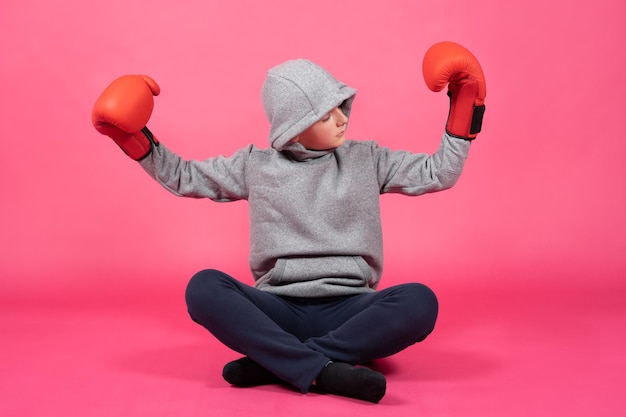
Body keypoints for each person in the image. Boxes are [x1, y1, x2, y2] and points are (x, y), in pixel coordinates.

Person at [91, 41, 486, 403]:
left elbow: (438, 173)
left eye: (341, 106)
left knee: (421, 301)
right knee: (203, 287)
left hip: (352, 308)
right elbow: (185, 177)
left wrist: (464, 105)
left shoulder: (367, 159)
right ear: (292, 128)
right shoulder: (255, 166)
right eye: (325, 114)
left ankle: (281, 362)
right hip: (277, 308)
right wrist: (135, 140)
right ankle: (327, 370)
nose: (341, 119)